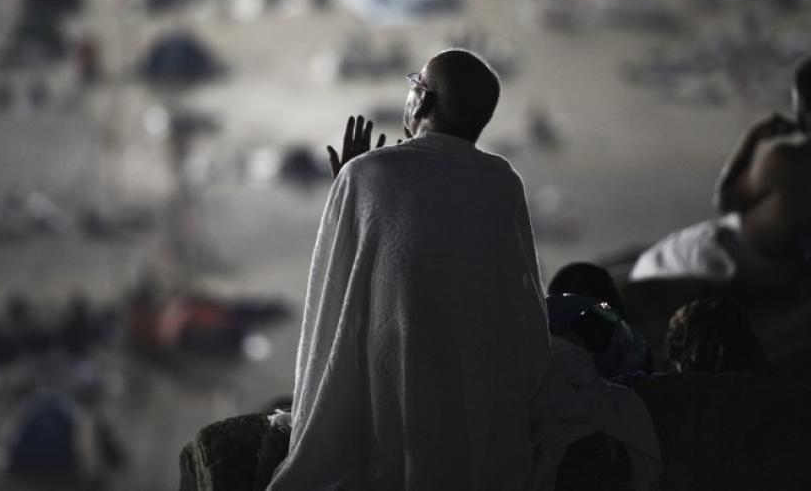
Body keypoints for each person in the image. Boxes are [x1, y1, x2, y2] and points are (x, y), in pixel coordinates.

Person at [268, 49, 659, 490]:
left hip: (387, 405)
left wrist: (348, 187)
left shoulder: (363, 175)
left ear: (422, 102)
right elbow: (523, 314)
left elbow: (332, 307)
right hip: (479, 410)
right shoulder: (502, 180)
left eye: (416, 84)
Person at [632, 56, 811, 284]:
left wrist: (753, 137)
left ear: (802, 103)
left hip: (740, 258)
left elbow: (726, 201)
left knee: (651, 262)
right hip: (794, 263)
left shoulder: (787, 159)